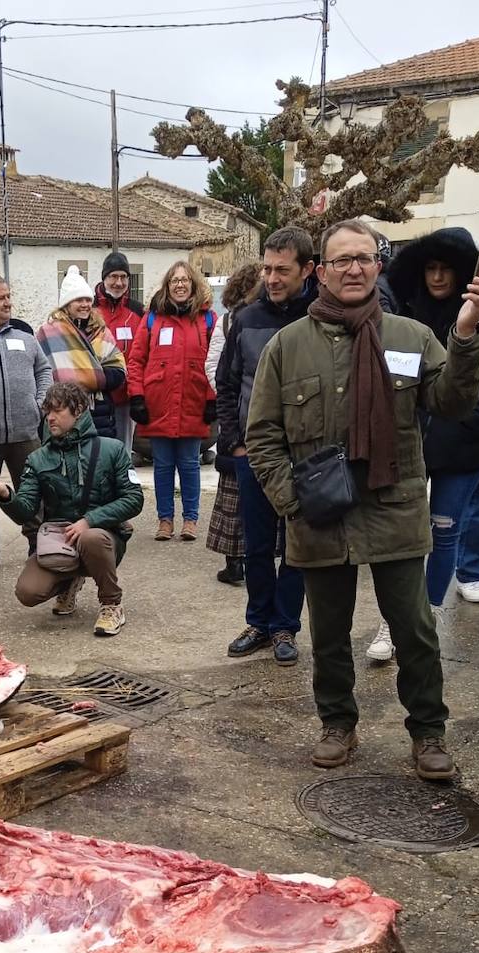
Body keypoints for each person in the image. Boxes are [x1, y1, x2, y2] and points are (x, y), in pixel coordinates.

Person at [246, 218, 479, 781]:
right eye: (341, 261)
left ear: (377, 265)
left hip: (395, 508)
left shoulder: (409, 336)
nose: (353, 268)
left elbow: (451, 402)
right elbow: (261, 435)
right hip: (319, 513)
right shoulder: (289, 345)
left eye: (364, 258)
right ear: (321, 273)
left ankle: (428, 733)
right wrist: (293, 500)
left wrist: (468, 332)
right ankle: (338, 724)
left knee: (414, 630)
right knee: (329, 635)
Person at [376, 229, 479, 651]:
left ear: (462, 272)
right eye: (430, 268)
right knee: (401, 536)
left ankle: (428, 615)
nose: (437, 277)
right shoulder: (406, 311)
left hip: (461, 447)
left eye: (446, 269)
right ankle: (392, 622)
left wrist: (463, 420)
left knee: (444, 533)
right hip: (407, 443)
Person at [218, 225, 316, 666]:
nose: (272, 278)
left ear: (307, 270)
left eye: (282, 270)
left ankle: (285, 627)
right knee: (255, 545)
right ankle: (258, 620)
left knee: (296, 545)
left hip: (304, 455)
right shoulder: (246, 318)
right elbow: (226, 383)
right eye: (267, 268)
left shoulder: (321, 317)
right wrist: (234, 442)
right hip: (253, 454)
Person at [0, 381, 143, 636]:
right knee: (27, 592)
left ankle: (111, 604)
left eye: (57, 411)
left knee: (90, 538)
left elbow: (134, 499)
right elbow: (25, 511)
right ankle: (69, 580)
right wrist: (4, 494)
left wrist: (90, 520)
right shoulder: (38, 458)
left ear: (78, 410)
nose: (50, 418)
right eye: (47, 412)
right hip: (60, 542)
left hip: (103, 538)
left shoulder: (112, 449)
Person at [0, 275, 52, 573]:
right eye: (1, 297)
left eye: (8, 296)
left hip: (25, 430)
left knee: (32, 487)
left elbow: (44, 370)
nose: (8, 302)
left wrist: (39, 404)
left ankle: (36, 540)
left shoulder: (25, 337)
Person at [127, 260, 216, 543]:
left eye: (184, 280)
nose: (179, 284)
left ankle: (190, 519)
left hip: (192, 401)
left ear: (193, 284)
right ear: (167, 286)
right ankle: (165, 520)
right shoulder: (153, 319)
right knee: (163, 466)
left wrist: (213, 398)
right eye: (174, 280)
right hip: (160, 404)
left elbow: (217, 361)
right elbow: (136, 360)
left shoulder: (207, 319)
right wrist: (137, 396)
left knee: (190, 464)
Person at [205, 260, 262, 585]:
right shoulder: (227, 323)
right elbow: (213, 366)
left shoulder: (275, 319)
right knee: (232, 491)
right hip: (236, 418)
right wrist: (234, 400)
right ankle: (234, 561)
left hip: (263, 418)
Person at [36, 267, 126, 444]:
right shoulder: (48, 333)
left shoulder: (102, 331)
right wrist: (93, 375)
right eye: (78, 300)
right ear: (66, 304)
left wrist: (89, 377)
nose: (84, 304)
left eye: (87, 299)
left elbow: (119, 371)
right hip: (63, 411)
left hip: (100, 413)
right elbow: (41, 373)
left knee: (99, 463)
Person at [93, 251, 144, 450]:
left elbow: (142, 354)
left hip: (125, 396)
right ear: (104, 278)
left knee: (122, 450)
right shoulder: (90, 309)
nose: (119, 282)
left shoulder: (138, 312)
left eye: (124, 277)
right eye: (113, 276)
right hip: (96, 396)